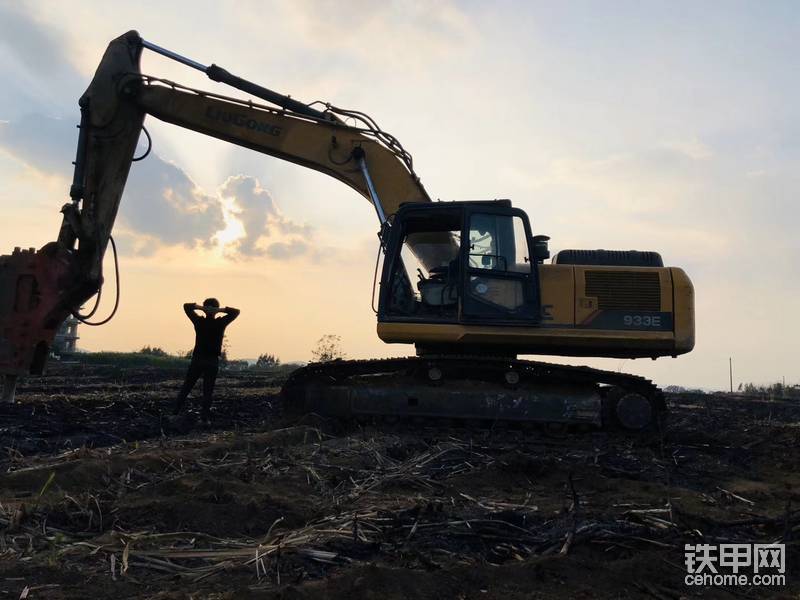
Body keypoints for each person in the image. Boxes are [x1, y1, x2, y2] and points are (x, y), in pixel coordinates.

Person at [172, 298, 240, 423]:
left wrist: (201, 308)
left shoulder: (199, 321)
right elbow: (236, 312)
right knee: (207, 391)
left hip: (198, 359)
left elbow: (186, 306)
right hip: (211, 361)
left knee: (187, 387)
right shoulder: (221, 322)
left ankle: (175, 411)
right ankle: (204, 418)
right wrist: (220, 310)